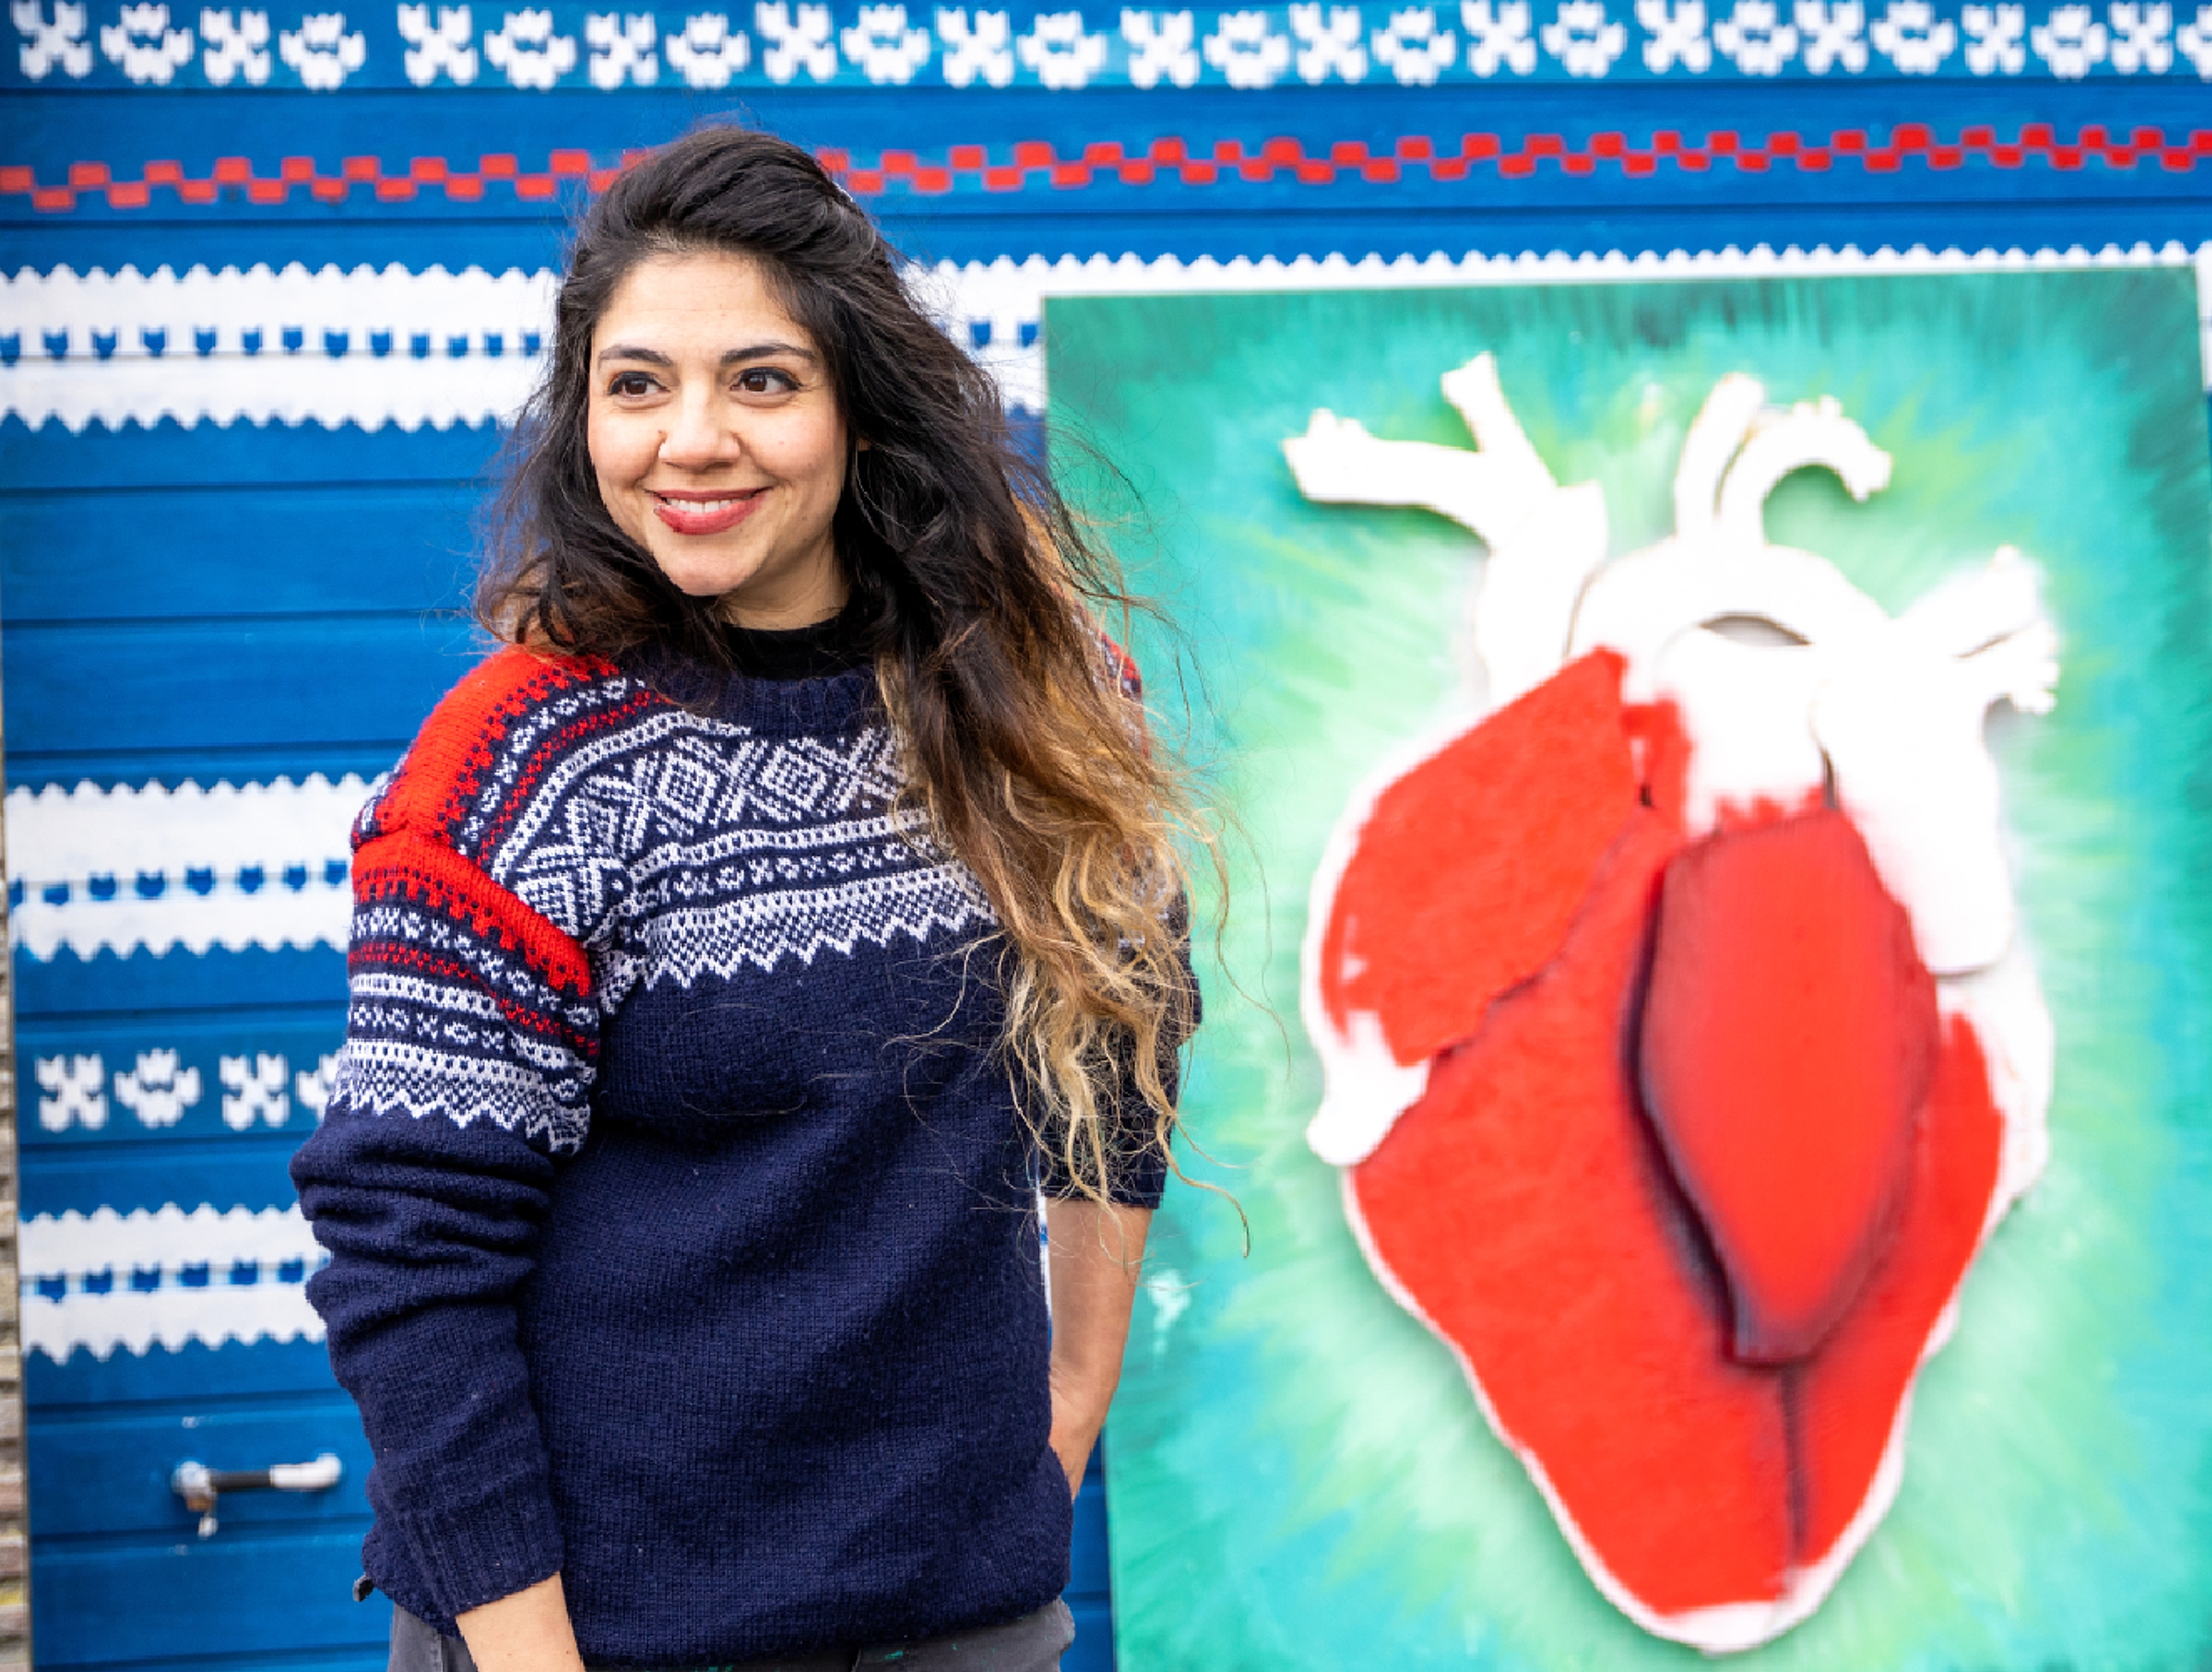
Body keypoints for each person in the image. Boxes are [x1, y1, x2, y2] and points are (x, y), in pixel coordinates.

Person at [290, 125, 1202, 1672]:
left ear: (862, 407)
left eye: (760, 381)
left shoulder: (1046, 703)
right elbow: (411, 1256)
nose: (689, 439)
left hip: (964, 1622)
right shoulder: (516, 770)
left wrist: (1060, 1416)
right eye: (636, 385)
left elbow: (1121, 1045)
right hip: (603, 1638)